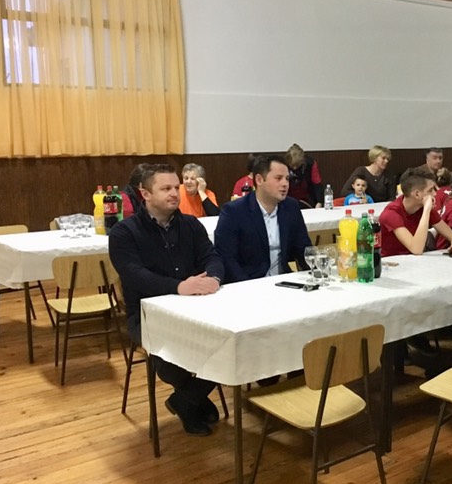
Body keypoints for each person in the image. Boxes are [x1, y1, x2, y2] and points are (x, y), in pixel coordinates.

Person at [109, 164, 224, 437]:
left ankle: (185, 399)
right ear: (146, 194)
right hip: (147, 314)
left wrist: (215, 278)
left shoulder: (191, 225)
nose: (174, 193)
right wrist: (178, 286)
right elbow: (134, 275)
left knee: (227, 342)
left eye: (176, 187)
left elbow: (212, 257)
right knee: (169, 360)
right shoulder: (124, 232)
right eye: (166, 188)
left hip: (196, 307)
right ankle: (192, 397)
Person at [215, 155, 311, 283]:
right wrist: (248, 286)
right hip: (248, 282)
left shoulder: (291, 207)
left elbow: (303, 249)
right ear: (259, 180)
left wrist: (315, 274)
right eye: (278, 178)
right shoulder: (234, 211)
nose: (285, 184)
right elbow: (227, 259)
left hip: (284, 281)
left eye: (287, 179)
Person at [380, 168, 452, 257]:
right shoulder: (391, 214)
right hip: (393, 262)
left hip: (416, 261)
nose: (435, 194)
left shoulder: (422, 208)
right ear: (417, 194)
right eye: (430, 190)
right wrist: (426, 210)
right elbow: (416, 249)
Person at [285, 143, 323, 208]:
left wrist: (319, 202)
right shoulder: (283, 165)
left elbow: (317, 185)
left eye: (297, 165)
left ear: (302, 161)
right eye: (292, 165)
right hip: (288, 199)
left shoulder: (310, 164)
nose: (294, 168)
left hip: (307, 199)